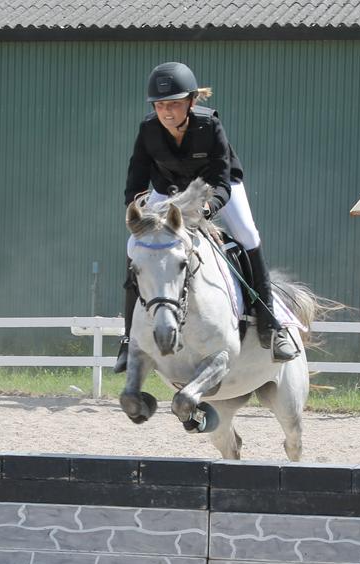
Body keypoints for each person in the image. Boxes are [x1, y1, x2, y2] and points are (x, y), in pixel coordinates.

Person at [115, 61, 299, 372]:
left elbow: (222, 181)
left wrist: (205, 210)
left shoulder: (209, 126)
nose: (167, 112)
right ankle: (128, 337)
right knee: (134, 246)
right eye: (160, 105)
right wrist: (137, 209)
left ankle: (270, 321)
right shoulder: (148, 130)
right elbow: (136, 179)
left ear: (191, 101)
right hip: (169, 191)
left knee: (248, 235)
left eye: (174, 104)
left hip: (216, 188)